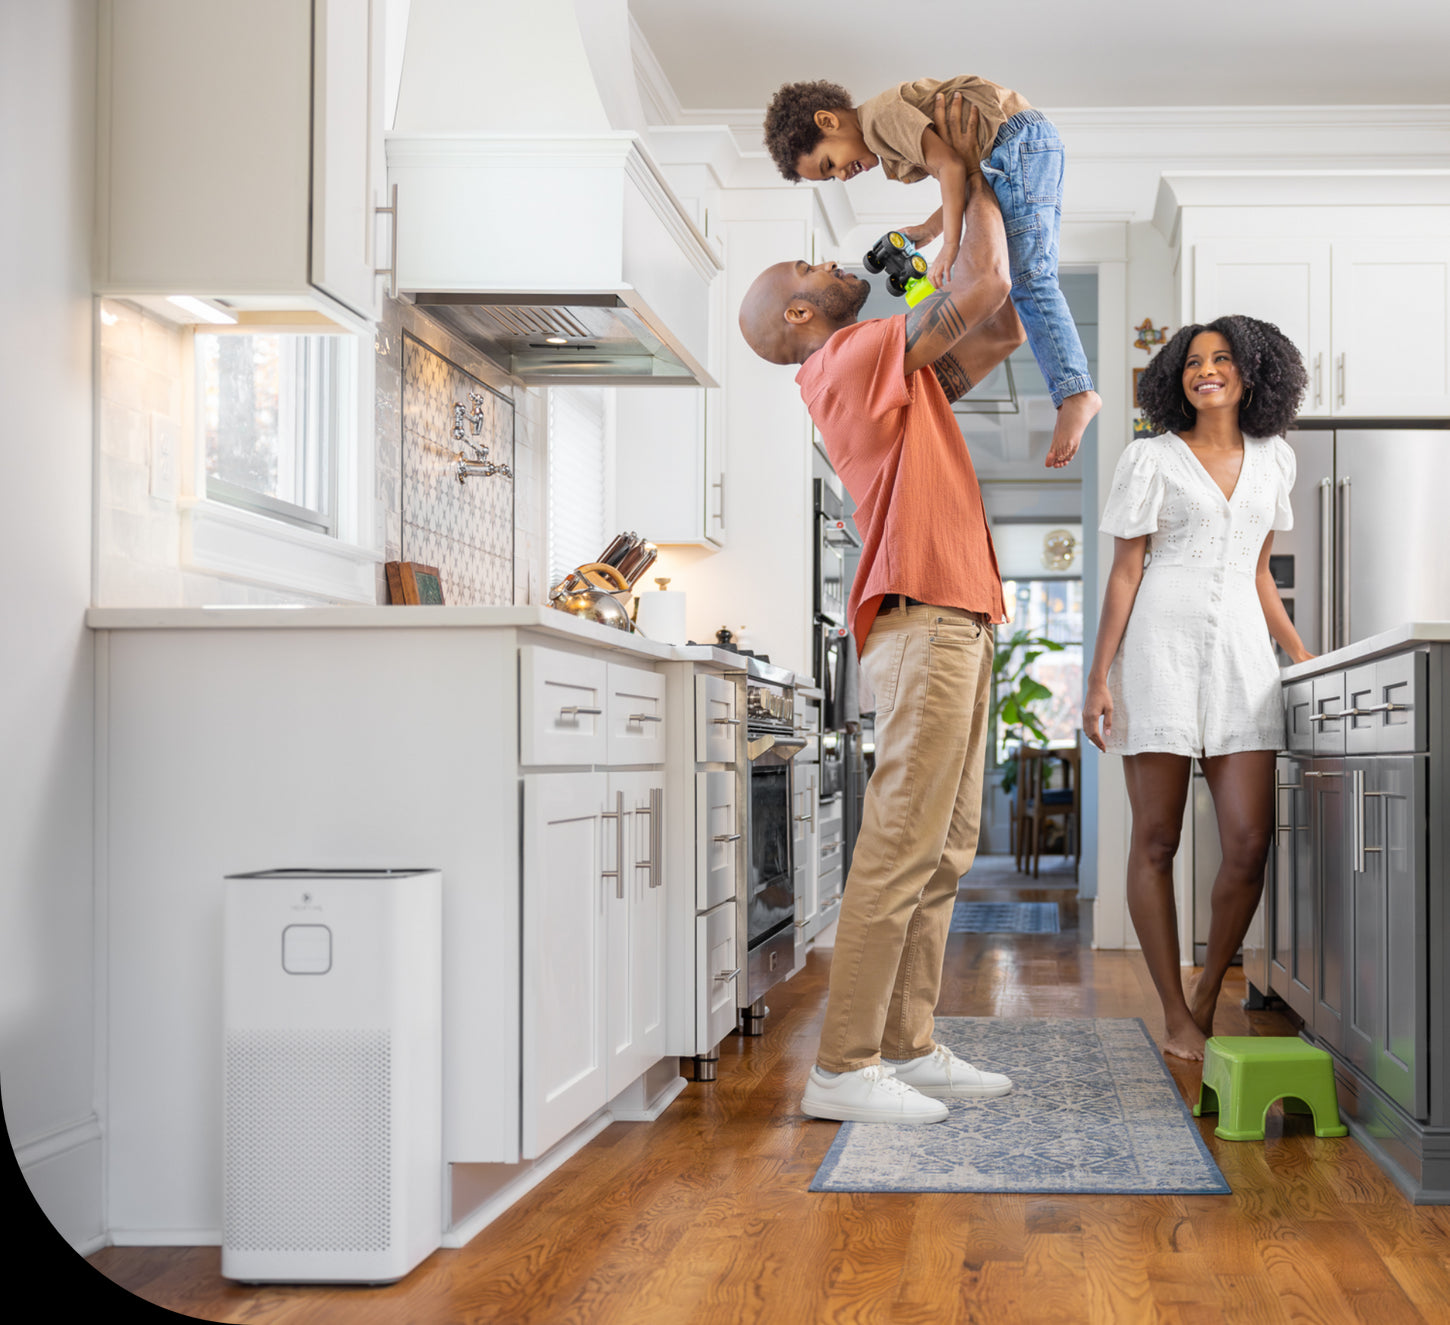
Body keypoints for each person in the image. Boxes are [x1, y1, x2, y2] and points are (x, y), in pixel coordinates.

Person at [739, 98, 1019, 1125]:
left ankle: (907, 1041)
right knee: (901, 844)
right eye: (808, 273)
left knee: (944, 848)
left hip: (958, 617)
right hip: (925, 617)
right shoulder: (842, 362)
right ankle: (842, 1065)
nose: (829, 265)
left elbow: (1000, 316)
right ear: (800, 319)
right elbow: (979, 282)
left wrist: (954, 220)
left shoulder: (895, 368)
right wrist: (958, 165)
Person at [1082, 316, 1313, 1061]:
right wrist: (1097, 680)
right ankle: (1176, 1013)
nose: (1204, 370)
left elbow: (1258, 574)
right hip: (1157, 652)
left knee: (1247, 843)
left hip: (1245, 660)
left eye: (1220, 358)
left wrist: (1303, 658)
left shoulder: (1277, 459)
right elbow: (1125, 573)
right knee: (1157, 839)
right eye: (1191, 362)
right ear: (1174, 380)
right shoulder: (1150, 457)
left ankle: (1210, 987)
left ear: (1254, 372)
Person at [763, 77, 1100, 469]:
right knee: (1031, 278)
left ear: (828, 120)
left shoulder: (880, 121)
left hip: (1011, 143)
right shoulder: (843, 370)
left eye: (830, 164)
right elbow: (963, 175)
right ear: (798, 314)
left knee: (1032, 278)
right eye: (829, 173)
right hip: (1012, 149)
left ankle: (1075, 391)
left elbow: (954, 167)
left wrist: (948, 243)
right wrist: (940, 225)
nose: (841, 176)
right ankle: (1074, 390)